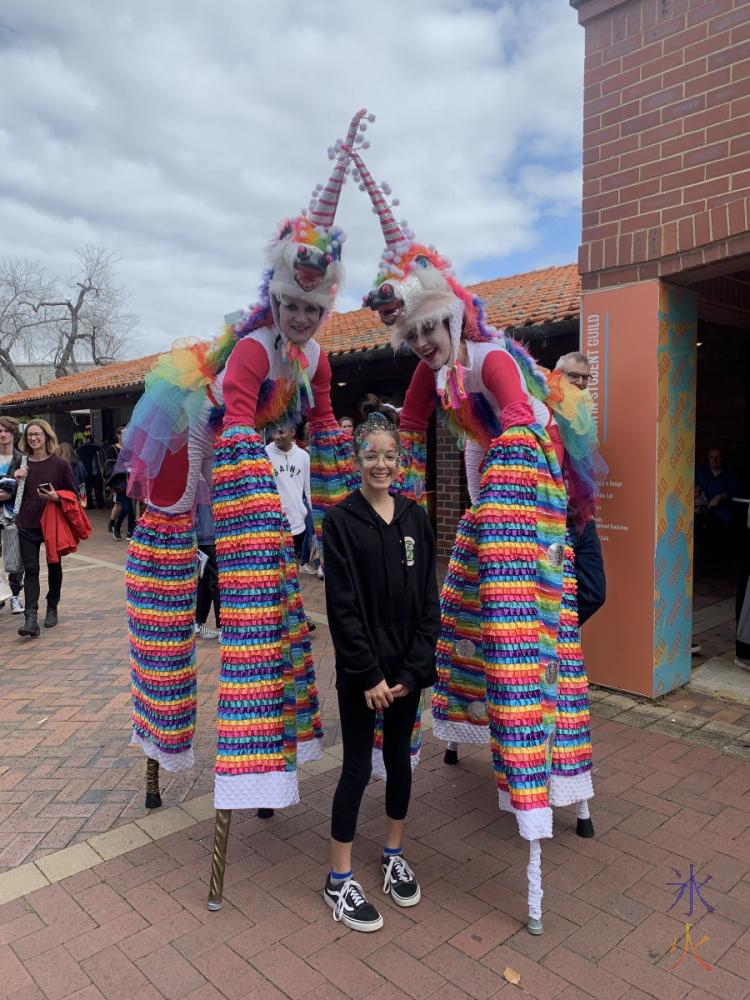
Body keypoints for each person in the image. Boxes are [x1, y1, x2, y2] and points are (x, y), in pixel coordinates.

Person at [349, 137, 596, 933]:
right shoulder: (430, 371)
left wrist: (496, 518)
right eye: (412, 336)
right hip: (492, 498)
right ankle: (456, 737)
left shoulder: (491, 362)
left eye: (430, 328)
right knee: (457, 610)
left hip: (532, 501)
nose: (424, 344)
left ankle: (549, 782)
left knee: (527, 636)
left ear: (450, 312)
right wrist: (404, 516)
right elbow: (413, 434)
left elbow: (525, 437)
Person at [117, 109, 367, 823]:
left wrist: (340, 503)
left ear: (324, 307)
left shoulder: (315, 354)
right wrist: (246, 510)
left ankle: (264, 761)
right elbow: (229, 410)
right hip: (200, 438)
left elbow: (320, 421)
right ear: (275, 296)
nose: (298, 317)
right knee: (173, 587)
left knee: (270, 604)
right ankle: (160, 752)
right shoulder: (256, 345)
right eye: (288, 303)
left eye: (309, 308)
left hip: (245, 441)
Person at [323, 412, 439, 932]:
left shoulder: (416, 517)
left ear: (401, 460)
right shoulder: (341, 522)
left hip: (405, 673)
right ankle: (339, 878)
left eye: (390, 455)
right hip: (361, 675)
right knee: (354, 767)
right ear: (357, 459)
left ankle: (393, 853)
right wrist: (368, 675)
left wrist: (412, 672)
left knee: (399, 761)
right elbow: (342, 608)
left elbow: (430, 606)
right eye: (371, 454)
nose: (381, 463)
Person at [13, 420, 76, 636]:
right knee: (30, 569)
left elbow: (73, 494)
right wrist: (16, 478)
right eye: (30, 435)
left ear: (46, 437)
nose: (33, 439)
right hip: (26, 523)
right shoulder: (21, 463)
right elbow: (12, 494)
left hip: (52, 522)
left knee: (54, 565)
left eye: (37, 434)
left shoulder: (60, 464)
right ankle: (30, 617)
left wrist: (56, 497)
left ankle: (52, 605)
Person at [0, 415, 24, 615]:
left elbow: (27, 487)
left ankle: (15, 597)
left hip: (12, 515)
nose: (3, 434)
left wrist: (11, 491)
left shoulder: (21, 459)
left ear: (13, 433)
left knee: (13, 557)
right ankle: (1, 594)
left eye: (6, 430)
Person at [194, 497, 220, 640]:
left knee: (204, 580)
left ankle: (198, 622)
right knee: (216, 581)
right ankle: (223, 628)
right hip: (209, 535)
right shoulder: (204, 478)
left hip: (204, 534)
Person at [106, 428, 135, 540]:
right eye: (124, 434)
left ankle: (130, 532)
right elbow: (111, 465)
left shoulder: (130, 449)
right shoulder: (113, 449)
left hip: (131, 481)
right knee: (125, 507)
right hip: (120, 483)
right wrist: (125, 464)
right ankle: (116, 527)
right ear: (118, 435)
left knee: (132, 509)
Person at [77, 434, 105, 509]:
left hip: (83, 472)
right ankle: (100, 504)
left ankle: (86, 505)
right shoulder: (93, 447)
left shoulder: (79, 449)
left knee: (84, 489)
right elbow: (101, 445)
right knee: (97, 489)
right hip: (93, 472)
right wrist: (96, 438)